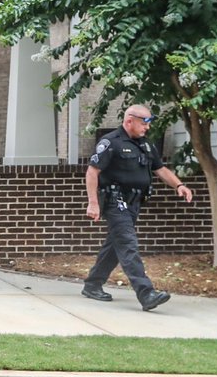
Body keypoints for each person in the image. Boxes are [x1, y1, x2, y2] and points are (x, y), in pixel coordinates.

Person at [82, 104, 193, 311]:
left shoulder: (146, 145)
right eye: (144, 123)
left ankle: (92, 284)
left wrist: (179, 185)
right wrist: (93, 203)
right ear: (129, 121)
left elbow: (159, 169)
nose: (147, 128)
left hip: (134, 203)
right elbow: (92, 172)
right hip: (115, 202)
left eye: (148, 123)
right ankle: (146, 293)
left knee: (116, 246)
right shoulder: (110, 142)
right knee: (128, 243)